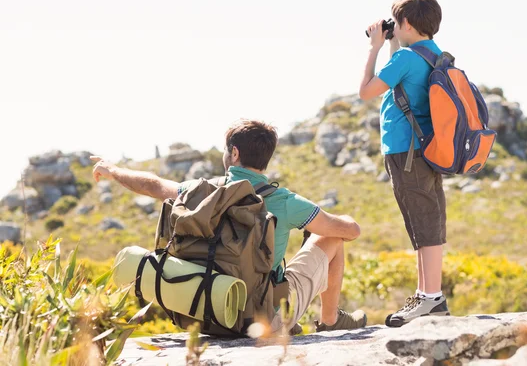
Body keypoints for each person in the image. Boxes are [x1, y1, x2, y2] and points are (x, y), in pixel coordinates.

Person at [91, 119, 367, 333]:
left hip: (209, 311)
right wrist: (346, 221)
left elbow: (151, 185)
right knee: (329, 239)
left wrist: (113, 170)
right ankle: (330, 321)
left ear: (234, 153)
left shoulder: (198, 191)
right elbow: (350, 232)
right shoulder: (284, 201)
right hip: (261, 321)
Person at [358, 0, 450, 327]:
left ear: (406, 23)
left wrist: (374, 48)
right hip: (427, 150)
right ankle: (427, 294)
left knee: (422, 222)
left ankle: (430, 298)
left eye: (396, 23)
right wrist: (394, 43)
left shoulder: (405, 59)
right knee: (426, 218)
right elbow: (403, 82)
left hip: (405, 151)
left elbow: (366, 90)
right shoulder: (432, 53)